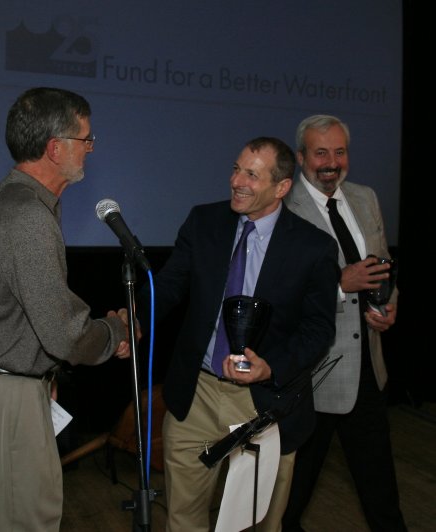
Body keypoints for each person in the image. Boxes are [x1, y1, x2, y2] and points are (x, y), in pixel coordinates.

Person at [0, 87, 131, 532]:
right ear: (55, 148)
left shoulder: (15, 200)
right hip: (2, 400)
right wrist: (113, 331)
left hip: (5, 391)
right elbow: (63, 333)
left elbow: (25, 314)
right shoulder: (26, 213)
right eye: (85, 140)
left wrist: (42, 374)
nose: (90, 149)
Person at [136, 136, 340, 531]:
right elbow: (170, 286)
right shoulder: (204, 222)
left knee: (259, 524)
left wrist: (271, 368)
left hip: (263, 404)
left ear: (281, 187)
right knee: (182, 520)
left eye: (252, 174)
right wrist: (134, 315)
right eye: (235, 169)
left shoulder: (313, 248)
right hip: (196, 394)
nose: (237, 181)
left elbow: (318, 331)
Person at [282, 114, 407, 531]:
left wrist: (389, 304)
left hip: (368, 367)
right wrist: (340, 283)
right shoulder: (284, 208)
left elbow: (384, 266)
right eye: (321, 152)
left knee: (381, 488)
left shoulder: (365, 197)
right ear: (301, 158)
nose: (331, 161)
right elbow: (278, 291)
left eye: (339, 151)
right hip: (312, 375)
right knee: (291, 495)